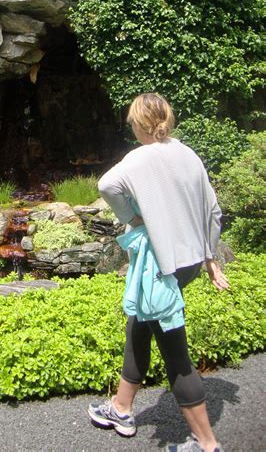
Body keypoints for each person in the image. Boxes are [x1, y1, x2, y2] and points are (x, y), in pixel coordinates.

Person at [88, 92, 230, 452]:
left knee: (176, 357)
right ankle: (121, 407)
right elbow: (212, 210)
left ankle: (207, 443)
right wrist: (210, 257)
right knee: (139, 322)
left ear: (139, 123)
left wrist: (133, 218)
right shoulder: (188, 154)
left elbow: (106, 185)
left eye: (131, 123)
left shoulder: (138, 158)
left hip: (159, 268)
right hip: (186, 264)